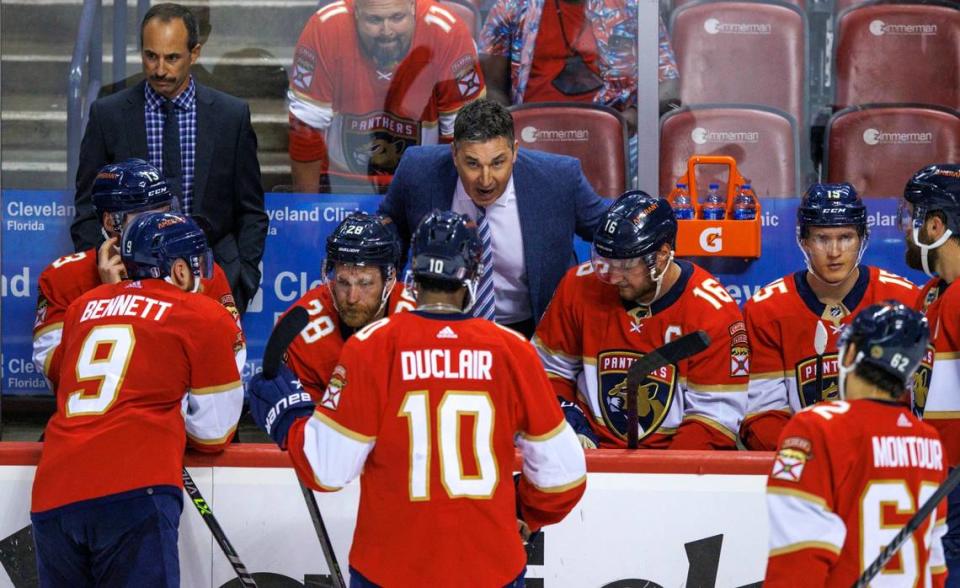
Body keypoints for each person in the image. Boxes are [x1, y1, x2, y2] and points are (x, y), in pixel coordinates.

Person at [248, 210, 586, 586]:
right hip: (490, 567)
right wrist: (521, 510)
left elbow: (327, 470)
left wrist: (289, 419)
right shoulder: (512, 351)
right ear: (473, 277)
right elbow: (564, 477)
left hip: (390, 568)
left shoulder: (370, 347)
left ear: (409, 273)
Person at [31, 211, 245, 586]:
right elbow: (213, 434)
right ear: (180, 269)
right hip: (134, 492)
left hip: (53, 495)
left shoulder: (84, 307)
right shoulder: (203, 314)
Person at [71, 3, 267, 314]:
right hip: (130, 285)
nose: (160, 69)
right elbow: (86, 208)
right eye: (151, 56)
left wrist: (243, 277)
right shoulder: (108, 115)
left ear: (195, 53)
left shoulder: (231, 117)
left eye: (172, 57)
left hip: (215, 282)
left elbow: (251, 211)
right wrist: (105, 269)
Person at [533, 191, 748, 449]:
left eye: (625, 266)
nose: (612, 275)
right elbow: (546, 373)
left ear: (661, 256)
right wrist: (570, 420)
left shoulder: (713, 312)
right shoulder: (578, 286)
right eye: (606, 261)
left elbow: (714, 421)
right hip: (589, 457)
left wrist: (659, 478)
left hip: (671, 467)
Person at [379, 98, 609, 337]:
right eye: (473, 164)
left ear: (515, 152)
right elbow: (388, 236)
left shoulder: (560, 180)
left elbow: (609, 232)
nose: (486, 180)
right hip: (444, 327)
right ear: (455, 154)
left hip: (534, 332)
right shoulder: (417, 171)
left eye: (497, 163)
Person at [764, 302, 946, 586]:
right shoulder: (928, 440)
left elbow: (799, 554)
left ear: (850, 353)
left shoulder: (817, 426)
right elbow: (934, 563)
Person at [739, 183, 920, 451]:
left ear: (863, 239)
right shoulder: (767, 310)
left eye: (846, 237)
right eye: (822, 239)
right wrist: (810, 455)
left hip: (883, 458)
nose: (835, 252)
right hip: (806, 464)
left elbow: (915, 403)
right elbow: (763, 416)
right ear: (804, 241)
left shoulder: (904, 301)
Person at [33, 159, 237, 381]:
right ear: (111, 222)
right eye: (146, 216)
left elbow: (233, 352)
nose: (159, 225)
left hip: (180, 410)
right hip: (96, 413)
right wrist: (112, 301)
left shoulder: (199, 269)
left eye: (166, 212)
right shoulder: (64, 276)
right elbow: (52, 368)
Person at [287, 0, 485, 192]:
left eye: (397, 17)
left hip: (424, 180)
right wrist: (308, 210)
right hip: (342, 181)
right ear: (355, 11)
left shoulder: (450, 32)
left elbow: (463, 137)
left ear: (413, 6)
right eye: (374, 20)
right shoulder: (325, 28)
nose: (387, 32)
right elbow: (307, 129)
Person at [282, 212, 416, 400]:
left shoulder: (420, 319)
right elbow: (307, 424)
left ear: (390, 278)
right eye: (343, 282)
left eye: (365, 283)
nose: (352, 298)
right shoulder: (299, 328)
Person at [901, 163, 960, 583]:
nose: (908, 228)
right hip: (940, 482)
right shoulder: (932, 294)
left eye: (913, 218)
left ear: (935, 224)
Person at [480, 3, 679, 117]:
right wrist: (511, 126)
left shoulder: (631, 6)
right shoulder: (512, 6)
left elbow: (668, 82)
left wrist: (636, 116)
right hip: (533, 135)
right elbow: (491, 87)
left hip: (617, 132)